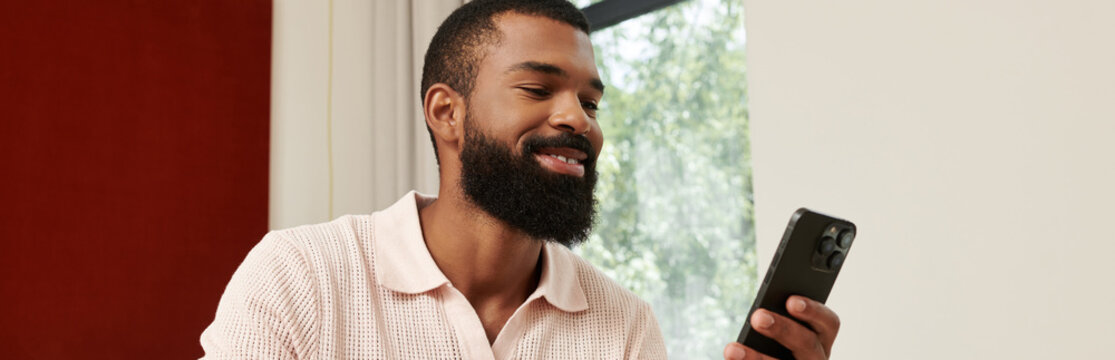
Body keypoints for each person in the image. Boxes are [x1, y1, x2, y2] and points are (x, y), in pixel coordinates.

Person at [199, 0, 841, 359]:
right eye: (538, 88)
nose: (578, 121)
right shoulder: (299, 276)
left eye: (591, 103)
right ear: (446, 112)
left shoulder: (623, 326)